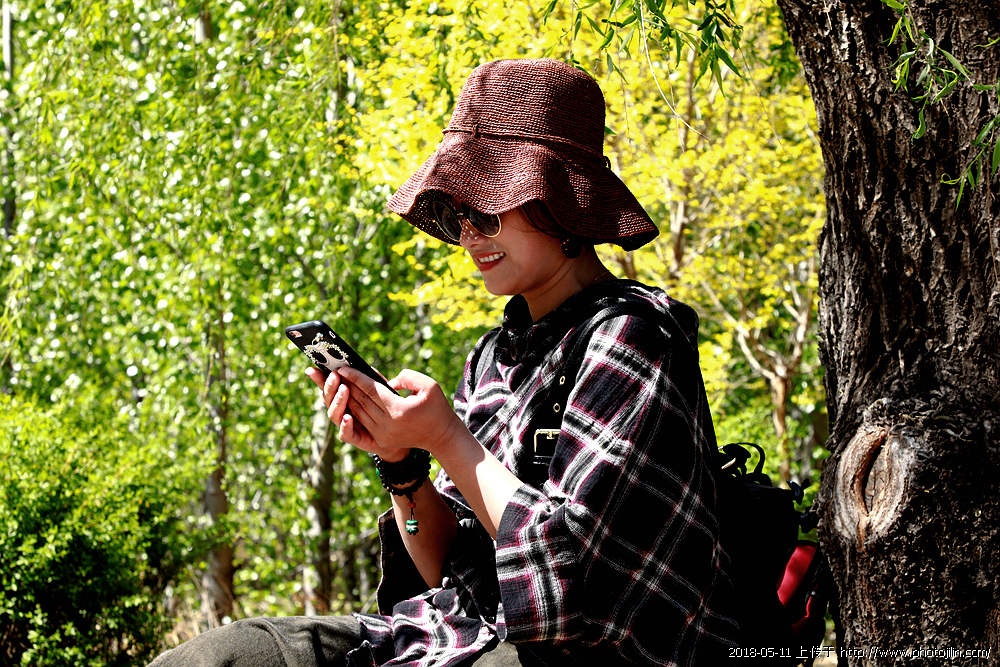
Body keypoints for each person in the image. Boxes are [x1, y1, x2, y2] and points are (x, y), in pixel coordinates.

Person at [150, 58, 737, 667]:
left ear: (561, 206)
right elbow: (447, 571)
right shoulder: (495, 355)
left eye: (488, 210)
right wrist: (402, 463)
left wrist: (449, 439)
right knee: (227, 655)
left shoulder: (634, 337)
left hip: (599, 651)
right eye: (460, 215)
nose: (470, 236)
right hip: (459, 634)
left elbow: (573, 588)